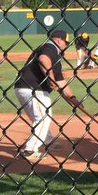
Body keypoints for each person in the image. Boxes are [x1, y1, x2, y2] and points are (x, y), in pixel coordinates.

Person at [14, 27, 86, 162]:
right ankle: (30, 150)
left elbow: (61, 82)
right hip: (33, 89)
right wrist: (50, 78)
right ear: (58, 40)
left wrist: (73, 99)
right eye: (65, 42)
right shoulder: (50, 47)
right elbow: (43, 59)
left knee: (39, 117)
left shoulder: (55, 54)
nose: (67, 45)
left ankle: (49, 141)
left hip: (23, 88)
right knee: (43, 117)